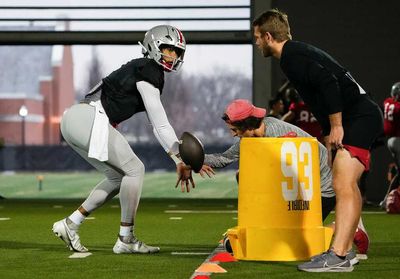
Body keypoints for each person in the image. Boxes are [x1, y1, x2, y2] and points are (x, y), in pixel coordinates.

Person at [252, 10, 383, 272]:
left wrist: (336, 125)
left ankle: (338, 255)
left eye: (257, 38)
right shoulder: (295, 54)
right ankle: (344, 252)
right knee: (348, 183)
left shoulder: (291, 56)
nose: (256, 43)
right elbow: (321, 99)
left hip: (357, 117)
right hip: (360, 116)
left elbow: (328, 83)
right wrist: (328, 135)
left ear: (268, 36)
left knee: (341, 183)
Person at [52, 25, 194, 254]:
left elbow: (156, 127)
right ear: (154, 46)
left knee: (119, 177)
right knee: (135, 170)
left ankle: (70, 224)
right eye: (169, 49)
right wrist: (179, 158)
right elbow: (160, 123)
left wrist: (177, 158)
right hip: (88, 118)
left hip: (76, 120)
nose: (173, 56)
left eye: (177, 52)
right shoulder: (149, 68)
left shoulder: (142, 69)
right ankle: (125, 238)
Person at [200, 99, 369, 264]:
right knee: (244, 177)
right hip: (299, 186)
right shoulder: (252, 135)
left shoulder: (277, 133)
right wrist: (192, 159)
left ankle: (349, 228)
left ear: (247, 125)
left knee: (295, 236)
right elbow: (224, 158)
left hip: (321, 187)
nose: (233, 134)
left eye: (234, 129)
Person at [380, 82, 400, 207]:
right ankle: (387, 199)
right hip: (398, 141)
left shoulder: (387, 102)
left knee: (399, 172)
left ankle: (386, 199)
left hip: (391, 140)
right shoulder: (397, 107)